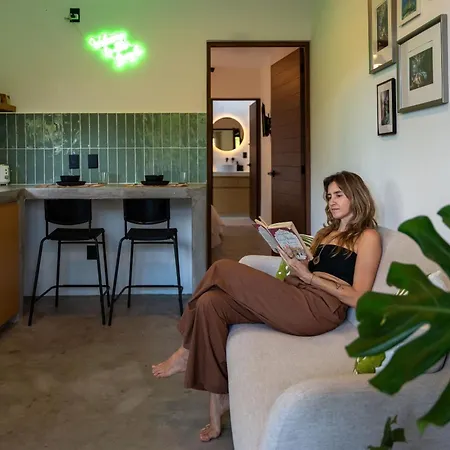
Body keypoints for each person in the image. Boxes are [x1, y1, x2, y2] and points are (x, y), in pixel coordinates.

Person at [152, 171, 382, 442]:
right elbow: (306, 274)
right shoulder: (327, 233)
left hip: (319, 309)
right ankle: (220, 397)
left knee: (222, 268)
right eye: (329, 196)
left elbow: (360, 297)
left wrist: (311, 278)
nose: (332, 201)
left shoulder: (367, 237)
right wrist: (297, 266)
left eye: (339, 195)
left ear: (356, 195)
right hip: (297, 294)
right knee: (210, 303)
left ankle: (186, 350)